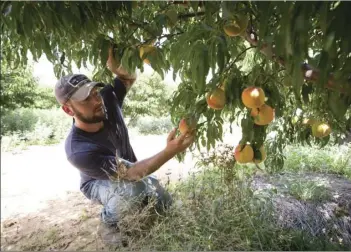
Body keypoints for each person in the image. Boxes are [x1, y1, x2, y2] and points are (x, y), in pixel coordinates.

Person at [54, 48, 195, 245]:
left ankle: (163, 212)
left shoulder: (107, 101)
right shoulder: (78, 150)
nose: (97, 100)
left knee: (154, 188)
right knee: (134, 188)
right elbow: (131, 174)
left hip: (126, 167)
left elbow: (128, 78)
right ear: (68, 109)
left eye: (95, 93)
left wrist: (118, 69)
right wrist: (170, 151)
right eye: (86, 99)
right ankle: (108, 223)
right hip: (96, 182)